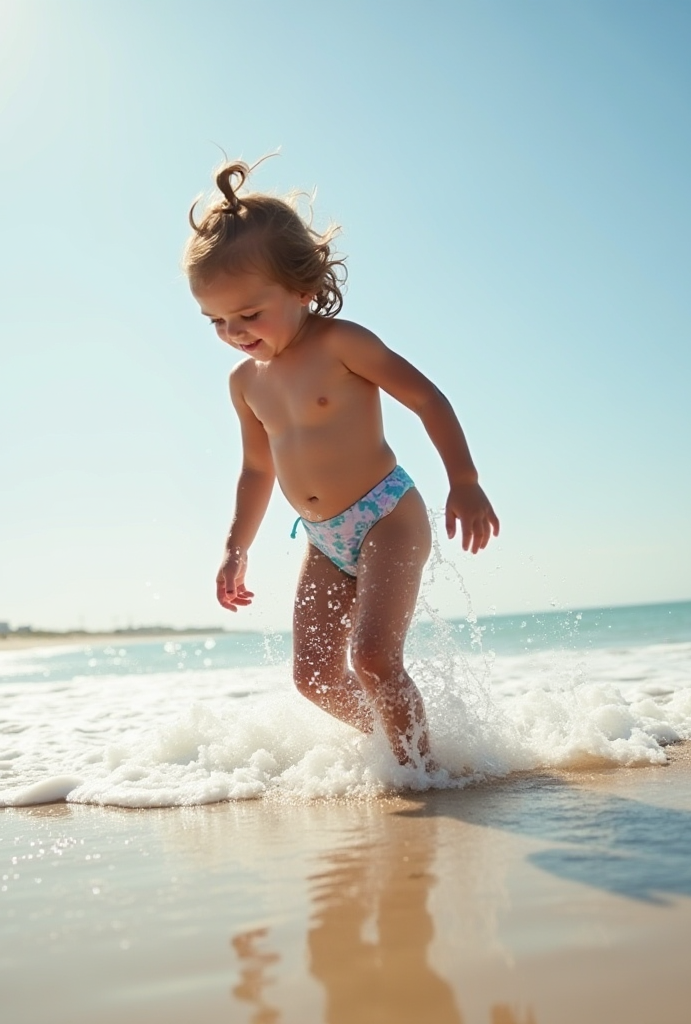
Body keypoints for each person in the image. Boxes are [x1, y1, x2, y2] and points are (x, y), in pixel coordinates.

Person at [184, 159, 499, 767]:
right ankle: (400, 743)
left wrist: (465, 480)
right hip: (324, 539)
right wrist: (236, 546)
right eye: (217, 320)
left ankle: (422, 771)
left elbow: (427, 398)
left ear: (302, 289)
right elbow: (257, 471)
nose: (233, 331)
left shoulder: (340, 344)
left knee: (375, 659)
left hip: (387, 515)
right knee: (314, 676)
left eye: (250, 314)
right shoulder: (245, 383)